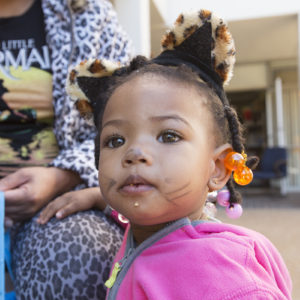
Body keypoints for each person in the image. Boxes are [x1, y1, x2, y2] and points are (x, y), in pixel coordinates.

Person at [67, 9, 292, 299]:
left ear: (218, 169)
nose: (134, 152)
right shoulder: (146, 231)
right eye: (115, 140)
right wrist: (98, 196)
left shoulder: (222, 278)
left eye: (169, 136)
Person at [0, 0, 132, 298]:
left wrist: (63, 175)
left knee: (80, 256)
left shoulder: (88, 15)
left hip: (57, 204)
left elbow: (128, 122)